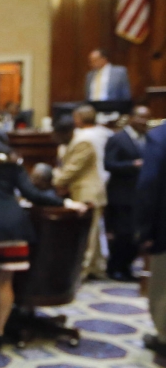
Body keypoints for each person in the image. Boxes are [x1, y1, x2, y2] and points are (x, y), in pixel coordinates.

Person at [0, 122, 86, 349]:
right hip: (13, 225)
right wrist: (66, 202)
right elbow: (32, 194)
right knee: (4, 282)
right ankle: (1, 331)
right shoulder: (12, 164)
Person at [54, 107, 108, 280]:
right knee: (94, 234)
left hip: (88, 192)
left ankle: (81, 273)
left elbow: (71, 169)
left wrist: (54, 181)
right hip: (79, 190)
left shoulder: (83, 142)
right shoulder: (71, 141)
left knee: (88, 236)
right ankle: (97, 268)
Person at [104, 106, 150, 281]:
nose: (144, 121)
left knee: (135, 235)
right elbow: (108, 164)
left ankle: (126, 267)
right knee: (122, 234)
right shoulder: (118, 138)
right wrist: (132, 165)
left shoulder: (147, 139)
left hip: (140, 195)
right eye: (140, 117)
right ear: (131, 118)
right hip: (121, 195)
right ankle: (115, 268)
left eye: (146, 118)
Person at [136, 119, 166, 355]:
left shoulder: (160, 136)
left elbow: (149, 184)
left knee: (162, 289)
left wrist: (144, 230)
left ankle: (164, 340)